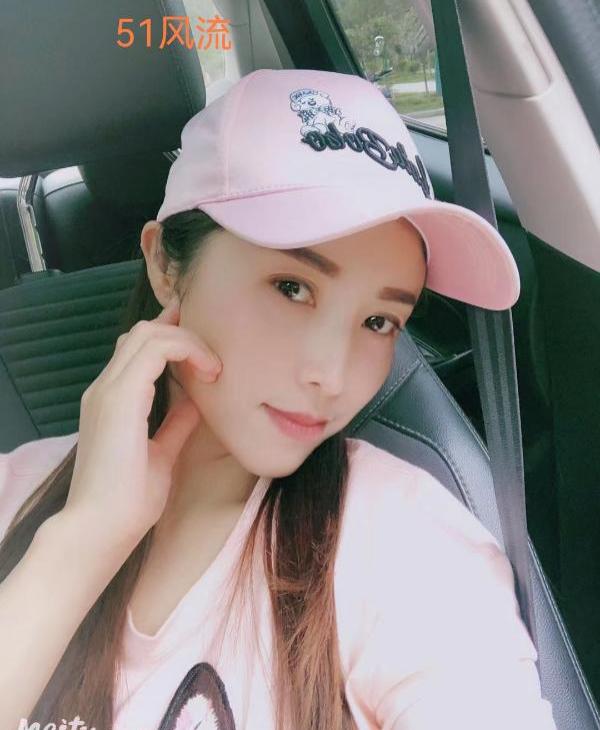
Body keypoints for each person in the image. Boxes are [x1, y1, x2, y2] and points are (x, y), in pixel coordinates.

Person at [0, 68, 556, 730]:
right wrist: (83, 535)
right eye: (291, 288)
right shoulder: (13, 489)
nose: (331, 374)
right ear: (166, 266)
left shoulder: (405, 545)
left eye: (379, 321)